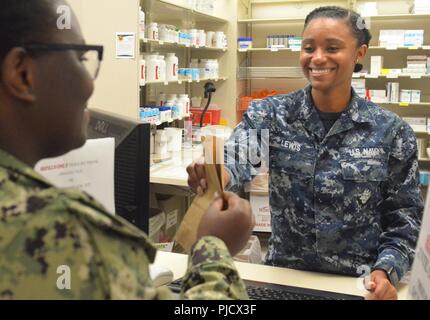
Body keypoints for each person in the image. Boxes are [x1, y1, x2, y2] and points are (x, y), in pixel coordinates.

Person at [0, 0, 254, 300]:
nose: (89, 85)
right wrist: (214, 246)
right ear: (22, 73)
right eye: (81, 58)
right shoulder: (61, 232)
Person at [187, 6, 423, 300]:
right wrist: (216, 171)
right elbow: (238, 155)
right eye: (309, 47)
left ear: (359, 53)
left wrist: (386, 270)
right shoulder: (272, 114)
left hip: (357, 285)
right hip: (283, 280)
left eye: (332, 47)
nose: (317, 58)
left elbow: (405, 219)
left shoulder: (392, 132)